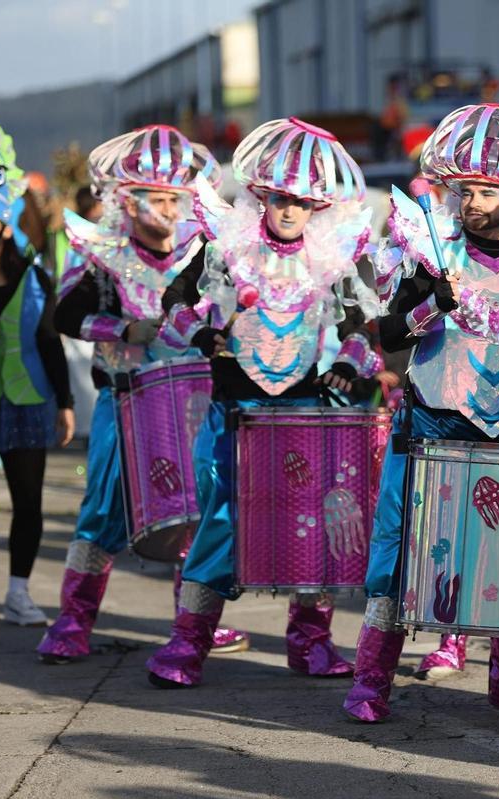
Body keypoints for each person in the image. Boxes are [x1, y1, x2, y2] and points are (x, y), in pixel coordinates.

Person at [343, 103, 499, 722]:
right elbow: (390, 335)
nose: (472, 202)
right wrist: (435, 307)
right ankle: (371, 677)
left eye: (486, 190)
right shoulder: (432, 255)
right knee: (405, 551)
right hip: (431, 422)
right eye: (465, 190)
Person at [146, 117, 385, 688]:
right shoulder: (227, 249)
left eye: (301, 203)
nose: (288, 211)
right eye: (280, 198)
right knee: (222, 522)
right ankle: (188, 643)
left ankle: (310, 642)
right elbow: (172, 304)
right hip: (233, 411)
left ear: (317, 208)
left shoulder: (332, 261)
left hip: (301, 412)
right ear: (262, 195)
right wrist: (205, 336)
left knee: (307, 524)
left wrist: (349, 366)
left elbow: (363, 328)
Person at [37, 126, 248, 663]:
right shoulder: (102, 254)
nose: (170, 212)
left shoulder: (204, 253)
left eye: (177, 200)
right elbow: (63, 315)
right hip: (125, 400)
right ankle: (73, 620)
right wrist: (120, 329)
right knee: (103, 510)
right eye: (157, 199)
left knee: (199, 507)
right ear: (126, 202)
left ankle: (191, 621)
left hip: (195, 400)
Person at [0, 125, 73, 627]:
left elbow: (49, 342)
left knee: (28, 502)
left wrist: (64, 402)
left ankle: (18, 593)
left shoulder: (35, 278)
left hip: (27, 400)